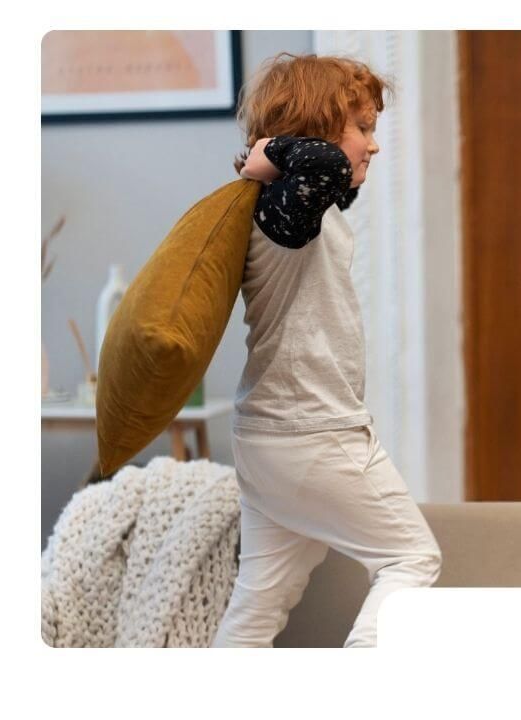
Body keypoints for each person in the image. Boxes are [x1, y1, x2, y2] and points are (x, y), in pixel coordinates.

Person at [212, 53, 441, 648]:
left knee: (257, 605)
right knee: (411, 558)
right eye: (363, 128)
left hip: (267, 439)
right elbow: (326, 162)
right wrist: (276, 151)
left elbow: (333, 173)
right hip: (311, 431)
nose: (374, 145)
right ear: (312, 132)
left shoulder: (293, 206)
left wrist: (270, 158)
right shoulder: (285, 209)